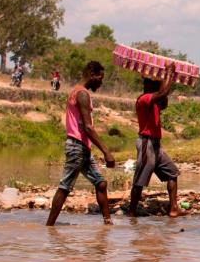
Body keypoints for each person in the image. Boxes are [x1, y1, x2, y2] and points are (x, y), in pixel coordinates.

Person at [46, 61, 116, 226]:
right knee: (65, 187)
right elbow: (88, 127)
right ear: (93, 75)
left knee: (101, 183)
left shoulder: (75, 91)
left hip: (82, 147)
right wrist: (106, 152)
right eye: (100, 78)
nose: (101, 82)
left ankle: (108, 224)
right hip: (77, 147)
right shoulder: (83, 94)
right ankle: (49, 227)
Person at [129, 65, 183, 217]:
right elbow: (163, 92)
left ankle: (173, 209)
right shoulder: (144, 99)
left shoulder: (154, 100)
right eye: (156, 84)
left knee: (172, 173)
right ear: (149, 86)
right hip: (147, 143)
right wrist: (169, 74)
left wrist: (165, 82)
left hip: (155, 144)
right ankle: (131, 212)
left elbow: (164, 101)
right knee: (140, 180)